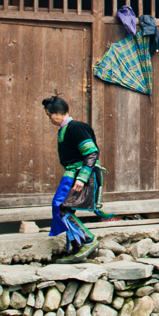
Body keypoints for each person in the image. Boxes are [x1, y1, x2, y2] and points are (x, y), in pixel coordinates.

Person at [42, 95, 107, 263]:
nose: (49, 119)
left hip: (80, 174)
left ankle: (88, 240)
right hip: (71, 174)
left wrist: (82, 178)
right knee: (64, 208)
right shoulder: (64, 129)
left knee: (62, 208)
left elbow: (92, 153)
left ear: (59, 112)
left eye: (50, 115)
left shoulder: (76, 128)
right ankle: (76, 248)